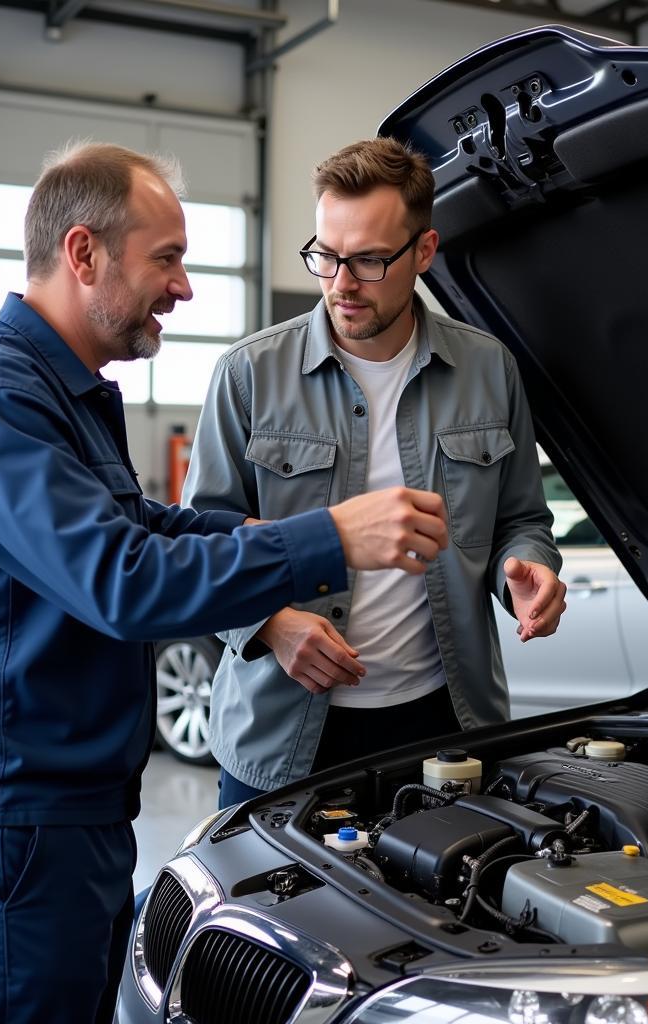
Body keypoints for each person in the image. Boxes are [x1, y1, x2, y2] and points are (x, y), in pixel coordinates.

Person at [0, 141, 449, 1024]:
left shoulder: (66, 392)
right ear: (83, 254)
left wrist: (245, 534)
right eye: (168, 258)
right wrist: (326, 537)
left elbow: (142, 526)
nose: (183, 287)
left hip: (65, 823)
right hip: (3, 831)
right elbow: (123, 581)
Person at [183, 137, 567, 808]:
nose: (341, 283)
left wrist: (528, 571)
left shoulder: (488, 370)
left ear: (423, 252)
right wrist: (270, 624)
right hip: (283, 735)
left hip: (445, 727)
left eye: (366, 260)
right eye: (325, 256)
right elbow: (200, 542)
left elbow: (521, 519)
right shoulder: (249, 376)